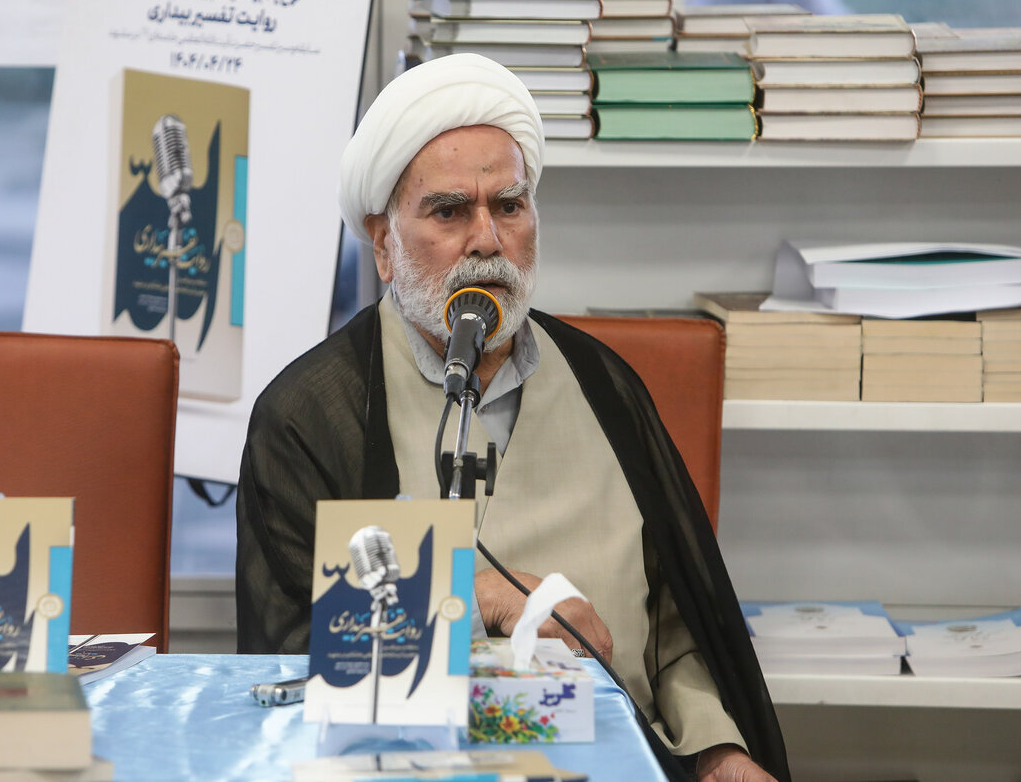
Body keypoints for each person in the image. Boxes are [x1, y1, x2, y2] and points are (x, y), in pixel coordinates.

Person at [235, 54, 789, 782]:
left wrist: (716, 749)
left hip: (614, 761)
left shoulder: (605, 385)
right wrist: (471, 595)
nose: (487, 240)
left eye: (508, 206)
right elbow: (287, 662)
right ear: (383, 244)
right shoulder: (310, 415)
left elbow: (675, 627)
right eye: (448, 211)